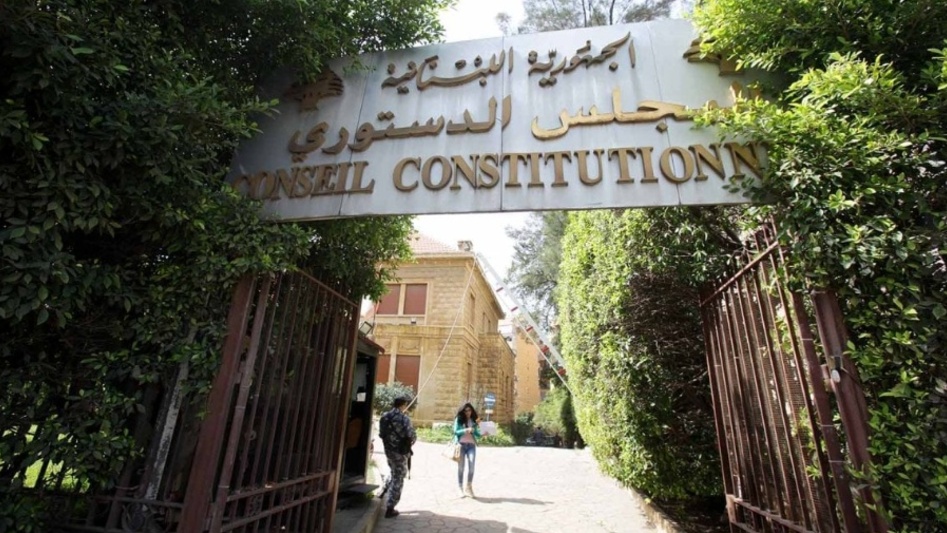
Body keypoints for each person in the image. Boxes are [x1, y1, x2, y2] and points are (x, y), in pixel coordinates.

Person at [378, 396, 416, 518]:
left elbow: (381, 434)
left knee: (393, 471)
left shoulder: (385, 416)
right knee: (399, 476)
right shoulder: (404, 418)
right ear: (403, 405)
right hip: (400, 452)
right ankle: (390, 507)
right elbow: (411, 435)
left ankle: (384, 490)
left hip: (388, 450)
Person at [452, 402, 481, 498]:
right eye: (465, 411)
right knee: (461, 467)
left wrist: (482, 434)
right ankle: (460, 487)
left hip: (471, 446)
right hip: (461, 445)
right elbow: (455, 431)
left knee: (472, 467)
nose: (468, 412)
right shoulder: (459, 419)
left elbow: (476, 433)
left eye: (469, 410)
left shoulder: (473, 421)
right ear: (463, 411)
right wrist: (465, 430)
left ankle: (469, 487)